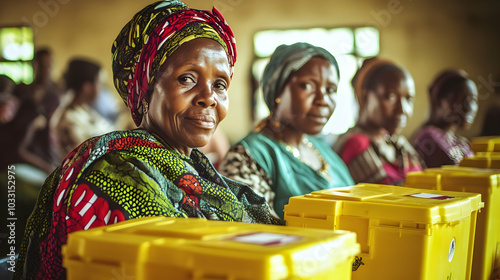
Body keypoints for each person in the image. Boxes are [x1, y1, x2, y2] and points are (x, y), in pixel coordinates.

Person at [14, 1, 278, 279]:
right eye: (187, 79)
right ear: (145, 88)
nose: (209, 97)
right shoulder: (116, 172)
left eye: (220, 84)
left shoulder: (194, 166)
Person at [219, 43, 354, 221]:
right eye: (307, 86)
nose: (322, 100)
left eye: (330, 90)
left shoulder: (324, 151)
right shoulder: (248, 156)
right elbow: (250, 232)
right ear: (278, 90)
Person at [332, 57, 424, 185]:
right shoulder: (357, 144)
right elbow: (389, 197)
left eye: (408, 99)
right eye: (390, 97)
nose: (402, 109)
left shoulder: (395, 142)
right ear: (365, 96)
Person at [412, 69, 478, 167]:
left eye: (473, 100)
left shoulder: (460, 142)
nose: (469, 107)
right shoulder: (429, 137)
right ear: (440, 101)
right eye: (461, 98)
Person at [51, 58, 114, 159]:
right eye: (98, 83)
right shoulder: (68, 118)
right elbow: (84, 157)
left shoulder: (84, 109)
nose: (101, 88)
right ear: (87, 87)